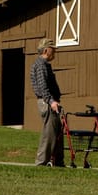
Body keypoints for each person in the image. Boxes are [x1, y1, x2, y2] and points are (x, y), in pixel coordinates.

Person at [31, 37, 64, 167]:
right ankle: (41, 162)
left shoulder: (44, 65)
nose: (54, 52)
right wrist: (51, 102)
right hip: (47, 103)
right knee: (49, 133)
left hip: (51, 102)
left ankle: (58, 161)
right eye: (53, 50)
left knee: (57, 132)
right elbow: (43, 87)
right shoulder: (41, 65)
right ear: (46, 50)